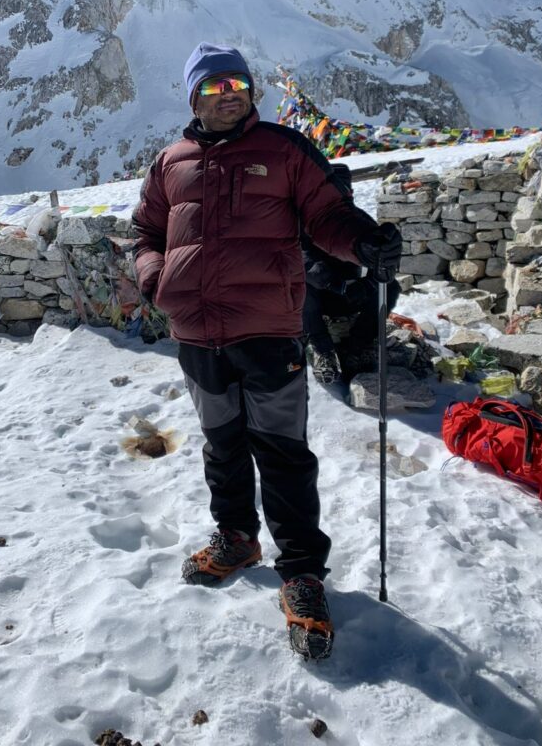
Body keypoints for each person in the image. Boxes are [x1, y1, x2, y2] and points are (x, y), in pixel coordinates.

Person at [131, 42, 402, 660]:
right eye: (214, 87)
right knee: (222, 446)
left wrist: (365, 245)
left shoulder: (284, 150)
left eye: (238, 85)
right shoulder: (170, 162)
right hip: (198, 335)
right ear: (193, 96)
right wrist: (155, 279)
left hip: (268, 331)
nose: (229, 96)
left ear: (252, 93)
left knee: (282, 455)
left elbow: (327, 216)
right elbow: (145, 231)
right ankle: (237, 538)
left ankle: (303, 573)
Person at [303, 227, 401, 385]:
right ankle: (322, 350)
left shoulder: (355, 222)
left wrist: (368, 284)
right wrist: (334, 284)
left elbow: (383, 261)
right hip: (319, 296)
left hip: (352, 292)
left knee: (390, 286)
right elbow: (301, 260)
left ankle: (357, 348)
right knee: (299, 284)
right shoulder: (304, 225)